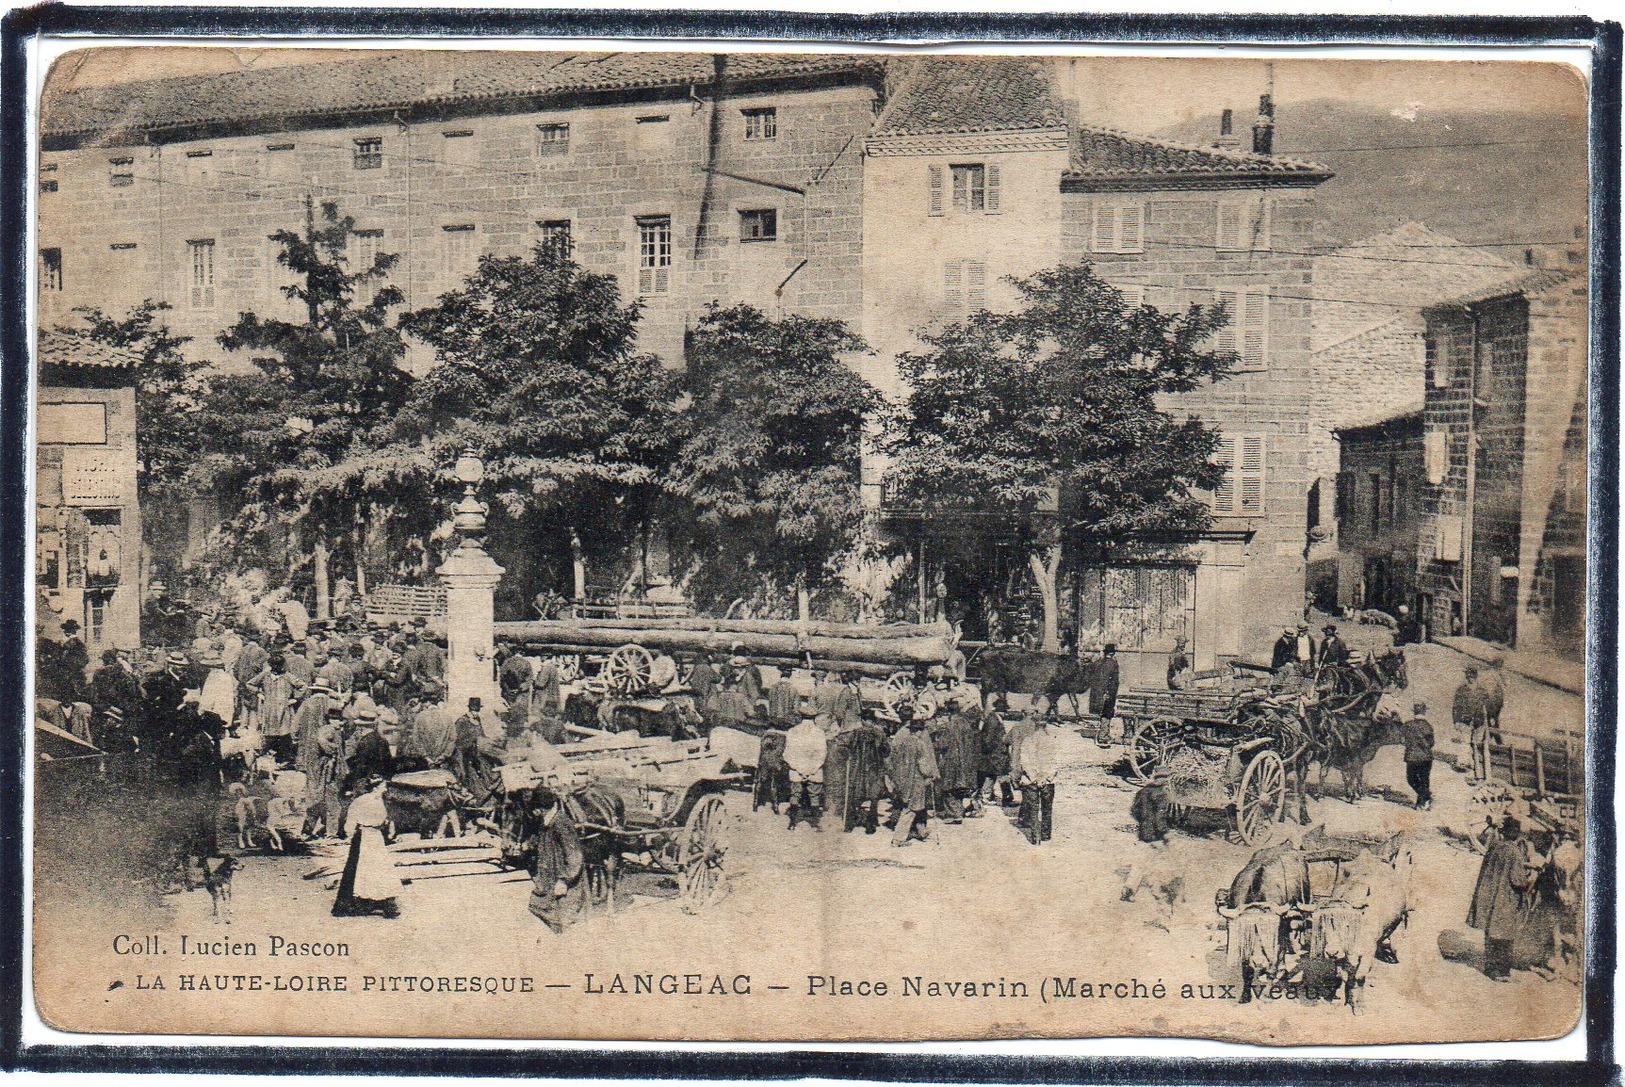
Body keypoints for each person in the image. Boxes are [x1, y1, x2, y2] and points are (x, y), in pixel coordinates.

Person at [1468, 817, 1537, 980]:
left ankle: (1489, 968)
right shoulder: (1514, 852)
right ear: (1516, 834)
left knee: (1491, 933)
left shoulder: (1495, 847)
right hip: (1506, 899)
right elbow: (1518, 880)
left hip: (1491, 896)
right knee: (1504, 935)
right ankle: (1500, 972)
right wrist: (1531, 878)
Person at [331, 776, 402, 918]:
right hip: (364, 837)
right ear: (376, 787)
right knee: (360, 869)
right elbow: (351, 819)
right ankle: (355, 904)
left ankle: (379, 902)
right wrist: (350, 832)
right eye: (383, 786)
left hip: (376, 837)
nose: (386, 789)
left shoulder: (380, 800)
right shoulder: (361, 801)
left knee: (380, 868)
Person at [528, 783, 589, 933]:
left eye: (534, 808)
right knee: (539, 907)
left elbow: (574, 855)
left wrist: (564, 880)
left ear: (540, 808)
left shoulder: (561, 823)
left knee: (566, 920)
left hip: (565, 882)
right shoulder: (546, 822)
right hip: (549, 880)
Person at [886, 706, 938, 847]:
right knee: (911, 809)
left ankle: (921, 831)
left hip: (902, 779)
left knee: (915, 807)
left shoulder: (901, 739)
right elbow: (924, 765)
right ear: (919, 731)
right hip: (916, 781)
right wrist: (931, 774)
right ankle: (898, 839)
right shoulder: (919, 744)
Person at [1018, 714, 1059, 845]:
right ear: (1045, 725)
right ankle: (1046, 835)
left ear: (1034, 725)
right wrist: (1046, 776)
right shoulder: (1052, 741)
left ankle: (1035, 838)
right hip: (1048, 781)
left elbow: (1025, 761)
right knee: (1047, 809)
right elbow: (1055, 762)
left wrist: (1034, 776)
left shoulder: (1027, 740)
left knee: (1033, 809)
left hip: (1031, 781)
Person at [783, 714, 828, 830]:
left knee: (795, 794)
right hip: (814, 771)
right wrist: (810, 771)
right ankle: (814, 824)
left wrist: (799, 769)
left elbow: (787, 754)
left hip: (796, 771)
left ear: (800, 717)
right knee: (814, 796)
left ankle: (792, 823)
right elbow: (822, 755)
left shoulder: (792, 731)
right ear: (814, 718)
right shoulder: (819, 733)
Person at [1453, 666, 1493, 782]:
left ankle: (1475, 762)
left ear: (1475, 677)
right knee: (1465, 741)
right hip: (1464, 721)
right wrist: (1456, 721)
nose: (1470, 679)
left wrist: (1489, 719)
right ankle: (1463, 763)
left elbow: (1489, 706)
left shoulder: (1482, 691)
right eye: (1468, 676)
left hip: (1478, 721)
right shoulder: (1461, 690)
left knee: (1477, 742)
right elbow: (1455, 707)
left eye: (1471, 677)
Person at [1399, 700, 1436, 809]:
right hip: (1426, 757)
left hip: (1412, 757)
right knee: (1424, 780)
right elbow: (1432, 743)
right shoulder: (1428, 726)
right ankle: (1425, 799)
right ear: (1424, 712)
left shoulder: (1407, 725)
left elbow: (1402, 740)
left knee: (1411, 780)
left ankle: (1423, 800)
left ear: (1414, 712)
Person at [1089, 644, 1121, 742]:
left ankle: (1103, 733)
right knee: (1107, 713)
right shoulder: (1114, 664)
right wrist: (1111, 693)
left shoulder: (1096, 663)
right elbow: (1114, 682)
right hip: (1108, 693)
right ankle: (1103, 735)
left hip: (1097, 693)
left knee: (1102, 712)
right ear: (1113, 653)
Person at [1483, 654, 1507, 732]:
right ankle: (1496, 739)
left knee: (1494, 719)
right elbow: (1488, 687)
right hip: (1491, 700)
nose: (1500, 667)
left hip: (1498, 701)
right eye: (1499, 665)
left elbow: (1505, 686)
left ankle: (1491, 737)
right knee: (1491, 719)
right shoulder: (1491, 674)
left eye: (1501, 665)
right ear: (1495, 665)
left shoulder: (1500, 675)